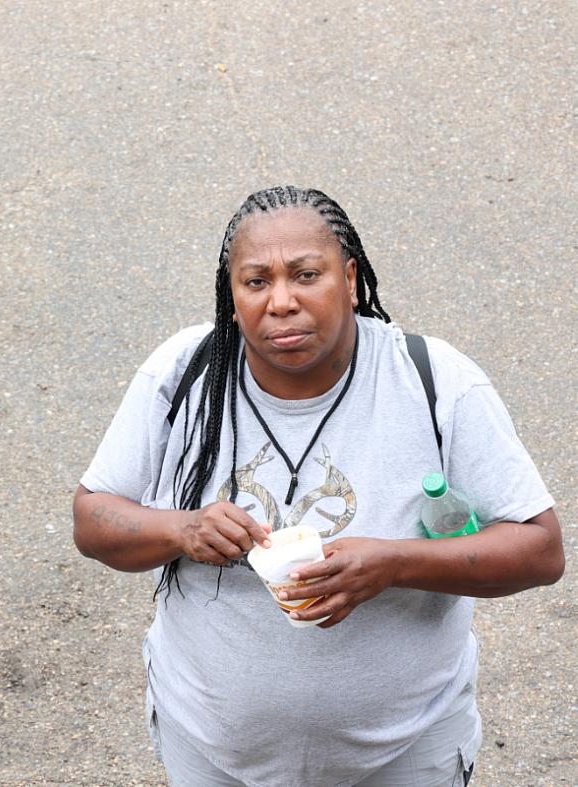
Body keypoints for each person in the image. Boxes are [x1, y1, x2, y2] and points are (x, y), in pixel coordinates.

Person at [72, 186, 563, 786]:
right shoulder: (183, 376)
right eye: (256, 282)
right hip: (214, 753)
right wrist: (184, 528)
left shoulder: (434, 382)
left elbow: (539, 549)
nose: (282, 302)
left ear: (350, 279)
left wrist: (395, 564)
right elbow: (92, 520)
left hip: (405, 754)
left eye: (306, 275)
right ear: (232, 296)